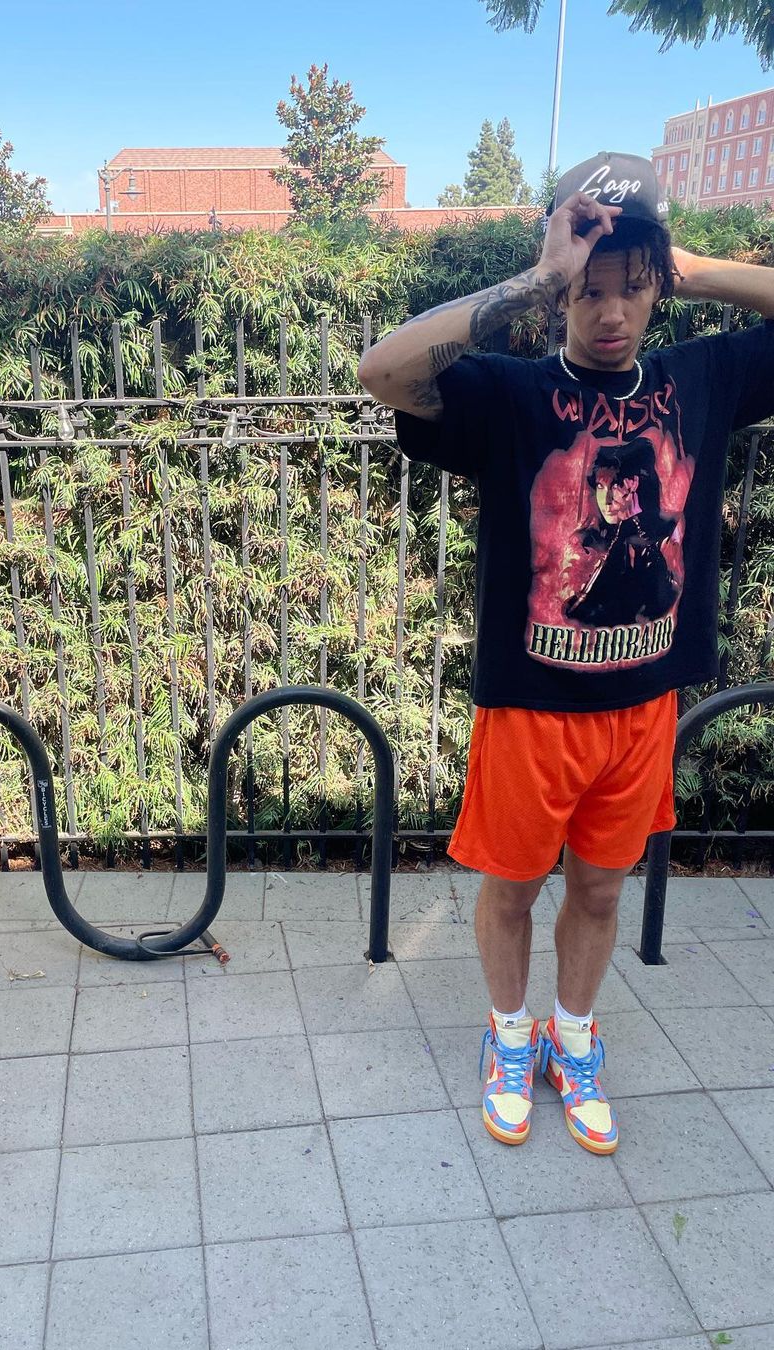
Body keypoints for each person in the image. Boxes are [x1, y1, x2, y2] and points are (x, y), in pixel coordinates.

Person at [358, 151, 774, 1155]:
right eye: (590, 291)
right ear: (563, 297)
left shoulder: (699, 379)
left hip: (641, 711)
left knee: (599, 889)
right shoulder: (514, 396)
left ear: (657, 286)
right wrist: (538, 278)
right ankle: (510, 1038)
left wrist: (690, 264)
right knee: (511, 889)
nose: (612, 313)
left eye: (633, 287)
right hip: (531, 709)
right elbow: (383, 372)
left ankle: (573, 1039)